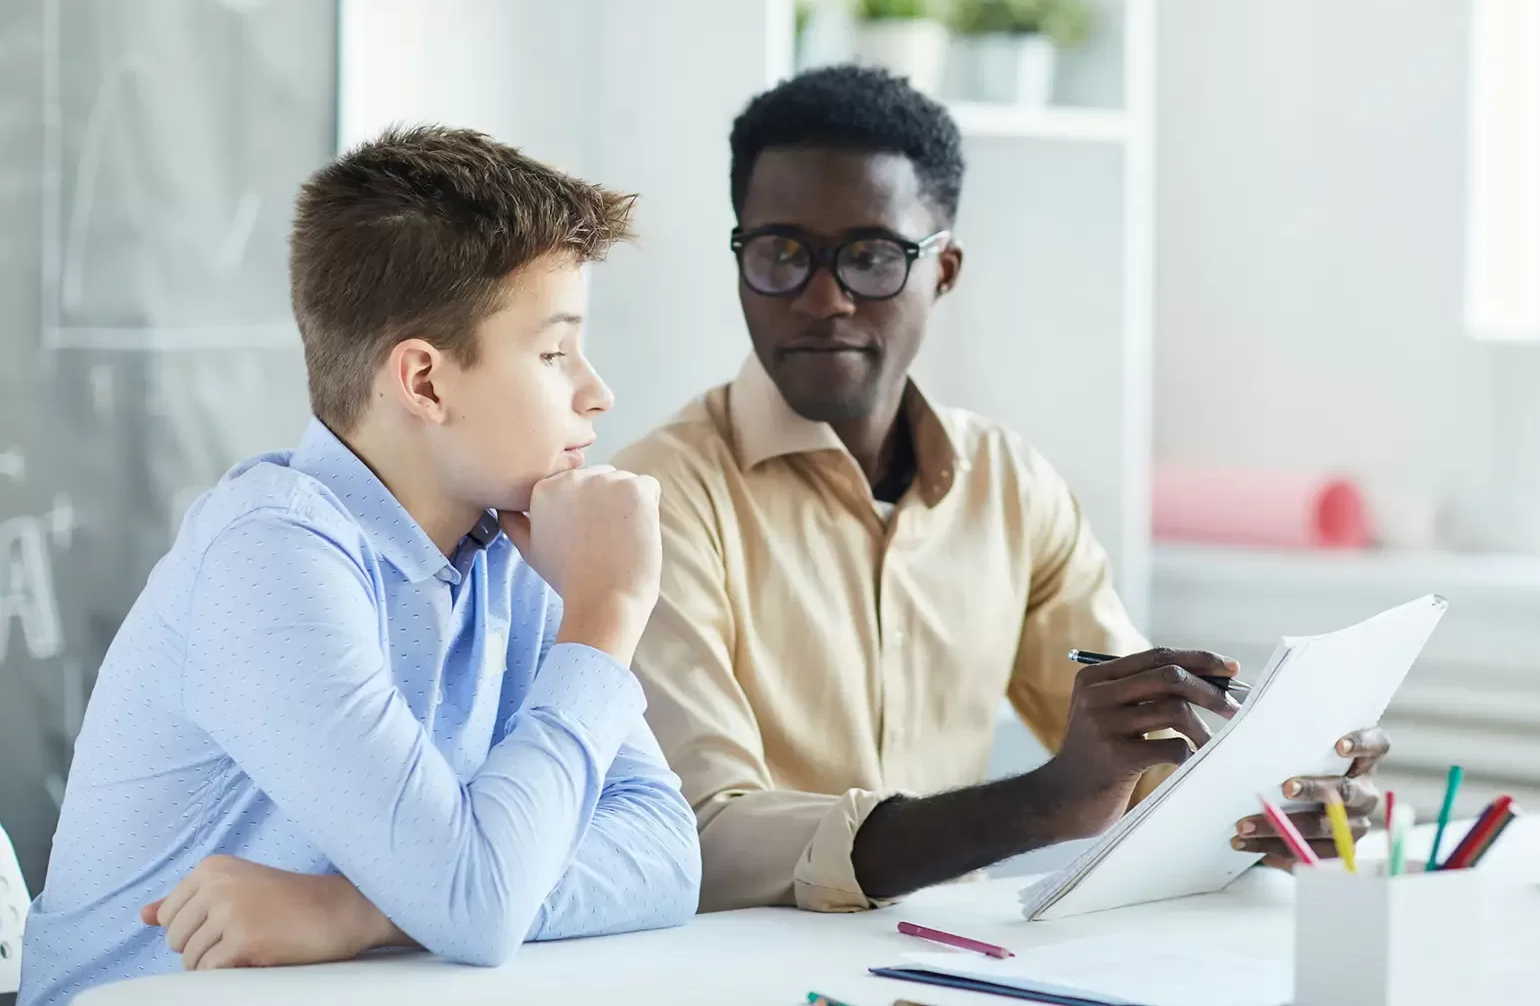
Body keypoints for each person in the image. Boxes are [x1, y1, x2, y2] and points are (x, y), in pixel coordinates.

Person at [612, 65, 1386, 912]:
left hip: (956, 966)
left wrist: (1268, 802)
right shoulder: (657, 500)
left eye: (871, 256)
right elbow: (704, 837)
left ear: (943, 270)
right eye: (781, 254)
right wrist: (1046, 802)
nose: (823, 298)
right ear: (740, 259)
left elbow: (1146, 750)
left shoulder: (1010, 485)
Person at [19, 127, 701, 1006]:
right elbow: (479, 901)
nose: (596, 391)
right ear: (423, 381)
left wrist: (358, 912)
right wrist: (606, 613)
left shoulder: (517, 541)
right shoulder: (269, 553)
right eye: (554, 352)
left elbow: (663, 853)